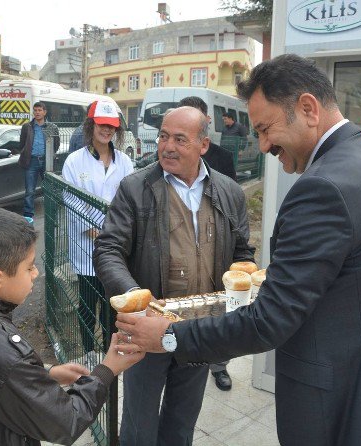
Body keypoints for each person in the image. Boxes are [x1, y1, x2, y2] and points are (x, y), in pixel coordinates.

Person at [115, 54, 361, 446]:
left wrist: (170, 337)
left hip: (342, 393)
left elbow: (269, 320)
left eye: (266, 128)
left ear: (307, 108)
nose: (264, 144)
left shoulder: (322, 188)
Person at [93, 106, 255, 446]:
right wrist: (137, 299)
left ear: (203, 145)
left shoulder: (229, 192)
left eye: (180, 139)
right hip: (146, 328)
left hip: (199, 329)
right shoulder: (135, 188)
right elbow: (108, 250)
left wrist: (241, 290)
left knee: (182, 421)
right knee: (138, 424)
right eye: (164, 136)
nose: (168, 146)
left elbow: (242, 252)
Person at [0, 206, 144, 445]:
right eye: (29, 267)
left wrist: (44, 375)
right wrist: (107, 369)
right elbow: (66, 421)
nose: (36, 273)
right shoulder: (3, 353)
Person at [62, 100, 134, 369]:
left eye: (111, 126)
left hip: (116, 247)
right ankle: (90, 351)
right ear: (91, 125)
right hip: (86, 246)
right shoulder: (74, 161)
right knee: (87, 304)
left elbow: (130, 202)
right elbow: (71, 200)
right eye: (102, 125)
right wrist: (94, 228)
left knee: (111, 305)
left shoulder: (125, 162)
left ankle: (109, 353)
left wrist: (112, 232)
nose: (106, 131)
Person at [176, 96, 236, 391]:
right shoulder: (163, 168)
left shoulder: (222, 159)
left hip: (215, 256)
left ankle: (219, 367)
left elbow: (233, 208)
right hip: (181, 268)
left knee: (217, 319)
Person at [19, 101, 60, 223]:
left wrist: (48, 155)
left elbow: (56, 145)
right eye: (35, 110)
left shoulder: (52, 127)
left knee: (49, 189)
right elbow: (22, 143)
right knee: (30, 190)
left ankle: (52, 213)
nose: (37, 112)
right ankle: (28, 216)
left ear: (44, 112)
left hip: (46, 162)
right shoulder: (27, 126)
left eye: (39, 110)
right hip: (31, 161)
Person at [178, 96, 236, 181]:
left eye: (194, 118)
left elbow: (231, 191)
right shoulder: (166, 155)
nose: (188, 123)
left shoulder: (223, 158)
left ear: (206, 120)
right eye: (183, 118)